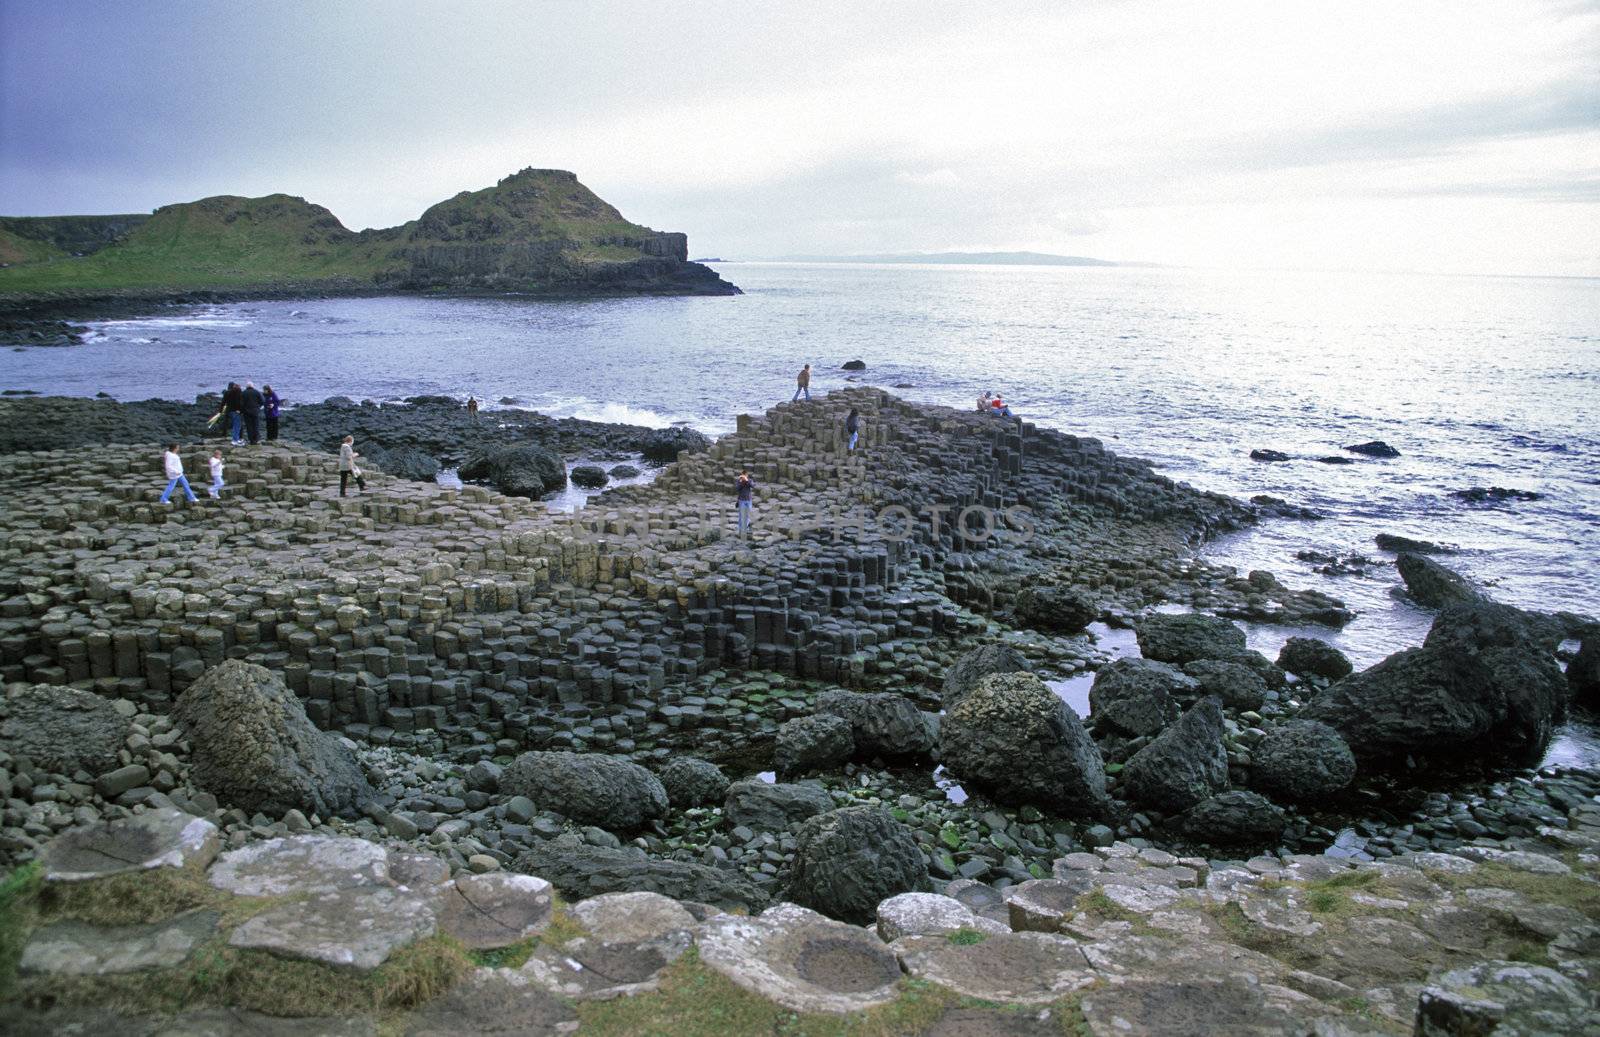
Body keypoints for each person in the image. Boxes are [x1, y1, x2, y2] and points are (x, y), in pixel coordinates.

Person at [735, 471, 755, 536]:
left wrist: (746, 481)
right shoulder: (739, 481)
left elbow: (752, 486)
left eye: (745, 475)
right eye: (742, 475)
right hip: (741, 500)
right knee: (741, 516)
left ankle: (745, 528)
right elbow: (737, 488)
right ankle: (741, 530)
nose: (743, 476)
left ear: (747, 475)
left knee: (748, 515)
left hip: (749, 500)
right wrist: (741, 483)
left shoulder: (749, 480)